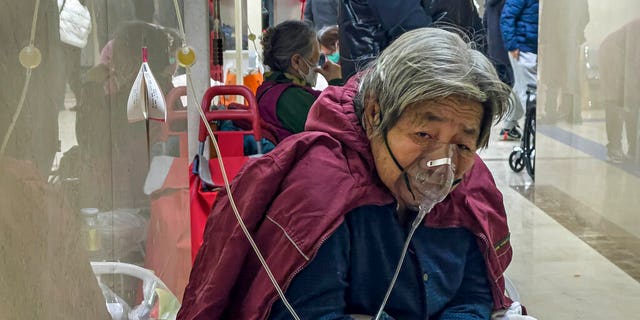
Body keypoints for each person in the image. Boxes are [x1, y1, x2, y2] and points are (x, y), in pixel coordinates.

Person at [178, 28, 523, 319]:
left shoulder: (470, 187)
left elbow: (473, 294)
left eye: (462, 146)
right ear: (375, 115)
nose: (441, 164)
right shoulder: (321, 192)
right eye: (423, 135)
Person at [256, 20, 341, 144]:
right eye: (314, 60)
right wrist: (337, 82)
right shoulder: (290, 98)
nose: (318, 68)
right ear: (296, 61)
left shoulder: (271, 89)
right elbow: (340, 128)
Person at [599, 18, 640, 163]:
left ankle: (634, 149)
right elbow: (634, 58)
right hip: (612, 53)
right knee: (616, 100)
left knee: (632, 102)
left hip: (626, 56)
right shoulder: (636, 30)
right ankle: (614, 148)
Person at [499, 0, 538, 140]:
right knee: (529, 93)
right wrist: (512, 45)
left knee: (520, 88)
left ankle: (508, 124)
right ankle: (532, 134)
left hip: (534, 47)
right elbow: (507, 16)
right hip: (523, 49)